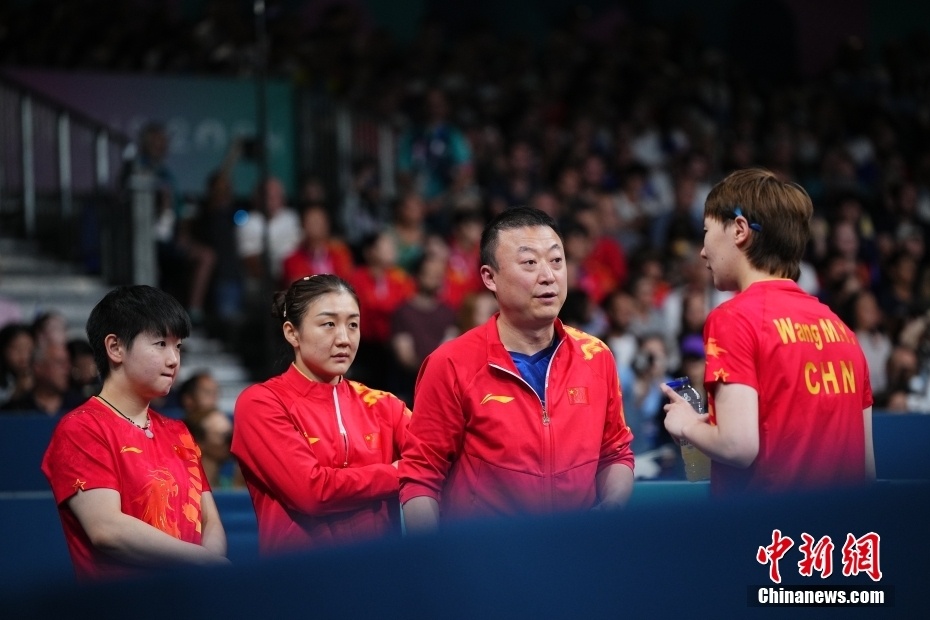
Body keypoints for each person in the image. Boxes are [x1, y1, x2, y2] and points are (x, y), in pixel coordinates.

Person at [399, 207, 635, 534]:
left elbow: (615, 453)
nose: (548, 275)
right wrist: (435, 558)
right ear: (489, 277)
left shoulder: (596, 356)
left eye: (556, 260)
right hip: (486, 557)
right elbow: (421, 476)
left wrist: (611, 510)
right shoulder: (450, 364)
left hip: (577, 551)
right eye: (529, 263)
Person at [662, 168, 875, 496]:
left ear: (739, 230)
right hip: (840, 526)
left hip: (764, 526)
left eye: (706, 231)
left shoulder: (733, 318)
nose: (702, 251)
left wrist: (687, 424)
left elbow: (737, 446)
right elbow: (867, 469)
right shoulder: (842, 331)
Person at [41, 285, 228, 580]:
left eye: (178, 346)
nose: (174, 360)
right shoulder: (82, 428)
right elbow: (107, 529)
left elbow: (210, 522)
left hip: (190, 596)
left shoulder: (179, 431)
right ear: (115, 348)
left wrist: (209, 568)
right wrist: (201, 561)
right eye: (160, 344)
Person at [231, 274, 411, 554]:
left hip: (379, 572)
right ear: (292, 333)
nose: (344, 339)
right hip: (301, 575)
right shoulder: (261, 403)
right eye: (329, 324)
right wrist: (399, 473)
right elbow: (312, 492)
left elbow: (435, 461)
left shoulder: (384, 405)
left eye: (353, 325)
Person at [0, 341, 83, 416]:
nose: (67, 368)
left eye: (68, 362)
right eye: (60, 363)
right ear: (38, 367)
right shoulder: (16, 411)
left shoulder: (80, 407)